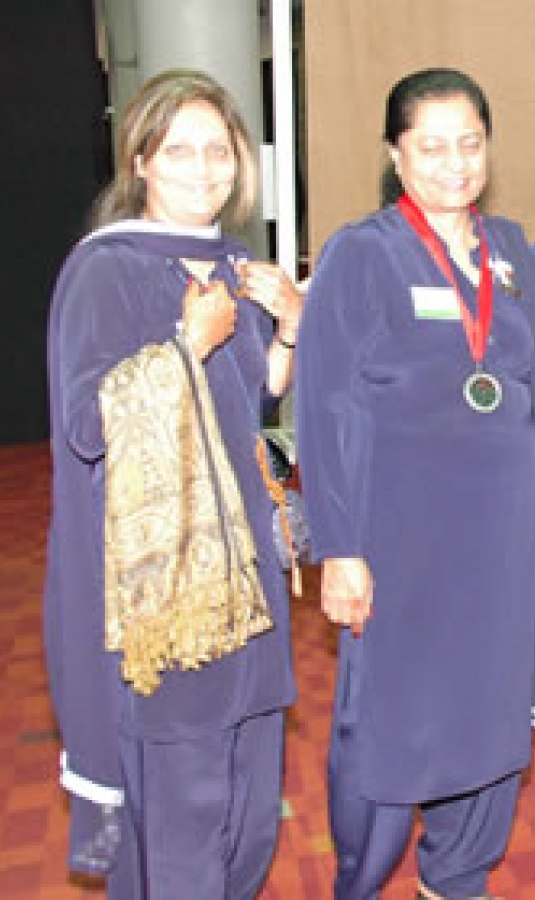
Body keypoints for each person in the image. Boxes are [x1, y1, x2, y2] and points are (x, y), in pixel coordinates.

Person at [294, 68, 535, 900]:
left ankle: (455, 878)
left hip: (506, 546)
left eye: (469, 143)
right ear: (396, 155)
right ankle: (362, 879)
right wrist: (341, 550)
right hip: (404, 544)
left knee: (488, 727)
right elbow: (323, 409)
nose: (453, 163)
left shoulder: (512, 252)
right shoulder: (363, 253)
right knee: (389, 733)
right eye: (430, 146)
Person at [44, 69, 301, 897]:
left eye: (218, 150)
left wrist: (291, 325)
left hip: (249, 577)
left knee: (252, 812)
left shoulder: (234, 263)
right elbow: (87, 427)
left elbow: (255, 395)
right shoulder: (105, 270)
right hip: (170, 589)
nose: (203, 169)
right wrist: (186, 347)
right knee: (187, 816)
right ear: (142, 162)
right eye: (180, 150)